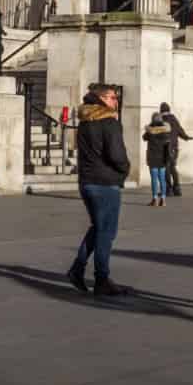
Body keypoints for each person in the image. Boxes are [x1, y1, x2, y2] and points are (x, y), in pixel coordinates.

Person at [66, 84, 130, 297]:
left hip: (87, 181)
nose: (116, 101)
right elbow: (117, 155)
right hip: (105, 183)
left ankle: (77, 268)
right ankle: (101, 278)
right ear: (102, 99)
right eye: (113, 97)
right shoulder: (109, 122)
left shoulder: (85, 122)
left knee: (97, 227)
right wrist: (124, 169)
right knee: (106, 232)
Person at [158, 101, 192, 196]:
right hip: (174, 148)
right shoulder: (173, 119)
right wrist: (186, 137)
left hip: (165, 148)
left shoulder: (161, 120)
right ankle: (177, 188)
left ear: (161, 110)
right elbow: (179, 130)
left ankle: (168, 189)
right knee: (172, 168)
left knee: (166, 169)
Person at [142, 110, 173, 206]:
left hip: (152, 157)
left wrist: (149, 126)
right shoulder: (165, 131)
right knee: (162, 178)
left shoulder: (150, 131)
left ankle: (155, 198)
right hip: (163, 157)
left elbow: (144, 137)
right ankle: (163, 199)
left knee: (154, 178)